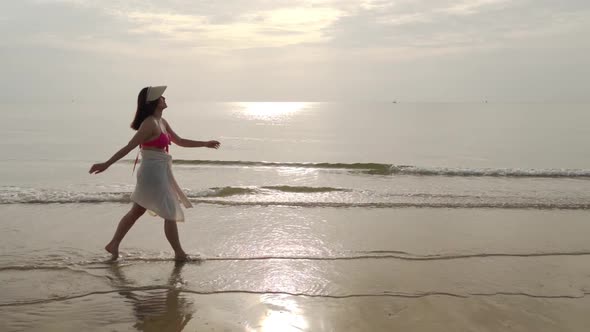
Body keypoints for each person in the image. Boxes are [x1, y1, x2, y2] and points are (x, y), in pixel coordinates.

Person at [89, 86, 220, 261]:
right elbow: (129, 146)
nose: (164, 99)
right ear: (153, 102)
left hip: (159, 172)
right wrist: (106, 164)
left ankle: (113, 244)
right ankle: (179, 254)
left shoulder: (162, 122)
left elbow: (179, 141)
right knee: (169, 211)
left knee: (137, 211)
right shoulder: (149, 123)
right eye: (161, 97)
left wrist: (204, 143)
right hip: (152, 173)